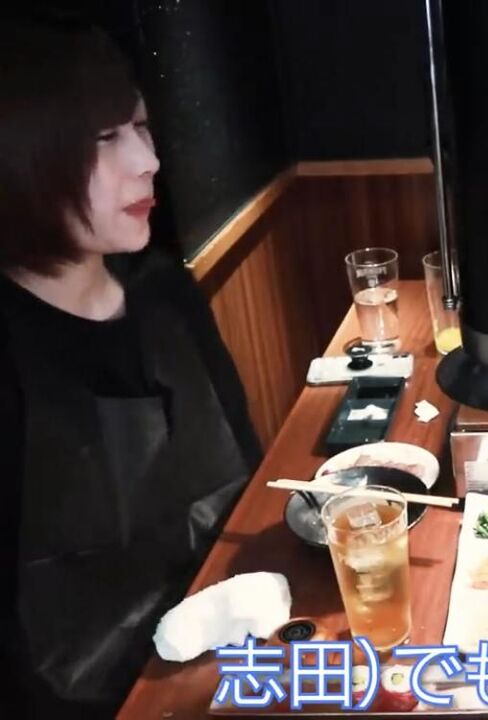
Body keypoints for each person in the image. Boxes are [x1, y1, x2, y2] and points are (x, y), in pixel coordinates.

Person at [0, 18, 261, 717]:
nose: (148, 161)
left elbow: (246, 472)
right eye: (104, 138)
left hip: (236, 652)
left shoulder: (163, 292)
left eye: (142, 128)